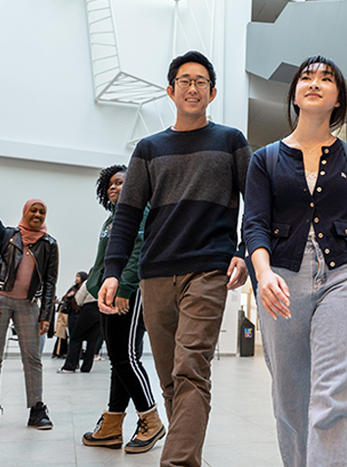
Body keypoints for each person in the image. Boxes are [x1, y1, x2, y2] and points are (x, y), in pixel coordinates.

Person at [98, 50, 251, 467]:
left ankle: (178, 462)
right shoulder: (149, 149)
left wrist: (243, 253)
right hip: (155, 275)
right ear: (170, 90)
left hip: (208, 268)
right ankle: (185, 451)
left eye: (201, 81)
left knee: (191, 369)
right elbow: (127, 217)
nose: (192, 87)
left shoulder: (231, 141)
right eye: (184, 80)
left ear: (213, 92)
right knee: (169, 377)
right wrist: (114, 273)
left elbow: (256, 203)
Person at [243, 55, 347, 467]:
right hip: (282, 279)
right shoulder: (265, 158)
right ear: (294, 93)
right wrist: (262, 273)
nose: (315, 82)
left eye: (326, 79)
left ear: (338, 99)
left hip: (345, 274)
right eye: (306, 77)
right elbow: (253, 224)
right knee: (290, 399)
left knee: (334, 395)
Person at [81, 164, 164, 453]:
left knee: (126, 357)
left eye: (121, 183)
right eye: (111, 184)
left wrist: (125, 287)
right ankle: (113, 424)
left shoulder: (139, 212)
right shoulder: (111, 220)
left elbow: (140, 248)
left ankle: (151, 420)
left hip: (126, 291)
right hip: (108, 293)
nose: (115, 187)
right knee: (118, 358)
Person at [0, 199, 58, 429]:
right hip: (1, 299)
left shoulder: (50, 244)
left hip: (28, 304)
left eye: (42, 211)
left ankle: (37, 410)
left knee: (33, 359)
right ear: (25, 212)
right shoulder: (8, 236)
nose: (37, 214)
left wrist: (46, 315)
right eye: (33, 210)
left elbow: (50, 282)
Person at [58, 280, 101, 373]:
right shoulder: (107, 281)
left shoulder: (90, 282)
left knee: (75, 337)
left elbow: (78, 298)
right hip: (101, 310)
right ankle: (86, 367)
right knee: (92, 340)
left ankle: (70, 366)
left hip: (88, 309)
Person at [52, 271, 87, 359]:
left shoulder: (84, 288)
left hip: (80, 314)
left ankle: (76, 354)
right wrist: (69, 295)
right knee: (65, 334)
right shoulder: (73, 288)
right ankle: (62, 353)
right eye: (76, 276)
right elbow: (64, 298)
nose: (76, 278)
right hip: (69, 313)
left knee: (76, 335)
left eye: (78, 277)